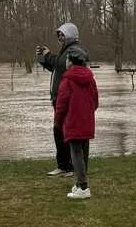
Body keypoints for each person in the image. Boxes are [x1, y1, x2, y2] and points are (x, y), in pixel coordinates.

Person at [36, 22, 86, 176]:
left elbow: (62, 65)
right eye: (58, 35)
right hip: (59, 98)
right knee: (59, 131)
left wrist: (48, 55)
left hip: (68, 99)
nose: (60, 37)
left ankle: (71, 166)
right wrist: (43, 58)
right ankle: (64, 165)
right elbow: (57, 67)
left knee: (66, 132)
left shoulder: (74, 51)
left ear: (70, 35)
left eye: (62, 35)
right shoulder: (65, 51)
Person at [54, 48, 98, 199]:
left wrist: (57, 121)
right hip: (87, 121)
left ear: (71, 62)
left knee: (76, 154)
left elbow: (61, 104)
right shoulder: (90, 78)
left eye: (67, 59)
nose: (66, 62)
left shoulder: (67, 80)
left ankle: (83, 187)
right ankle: (79, 184)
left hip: (73, 121)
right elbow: (95, 101)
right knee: (83, 153)